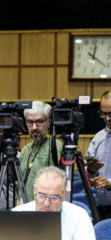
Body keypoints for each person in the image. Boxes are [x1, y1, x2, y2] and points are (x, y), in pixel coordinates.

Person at [13, 166, 95, 240]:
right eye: (41, 196)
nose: (46, 203)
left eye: (54, 198)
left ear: (64, 195)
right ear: (34, 190)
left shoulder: (79, 217)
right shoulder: (16, 216)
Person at [19, 101, 63, 201]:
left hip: (46, 207)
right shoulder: (25, 150)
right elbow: (19, 183)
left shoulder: (56, 146)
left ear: (48, 122)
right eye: (30, 122)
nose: (34, 127)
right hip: (25, 209)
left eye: (39, 121)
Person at [86, 89, 111, 220]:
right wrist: (91, 170)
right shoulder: (98, 138)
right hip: (102, 210)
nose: (107, 119)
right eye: (103, 114)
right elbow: (88, 174)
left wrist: (110, 183)